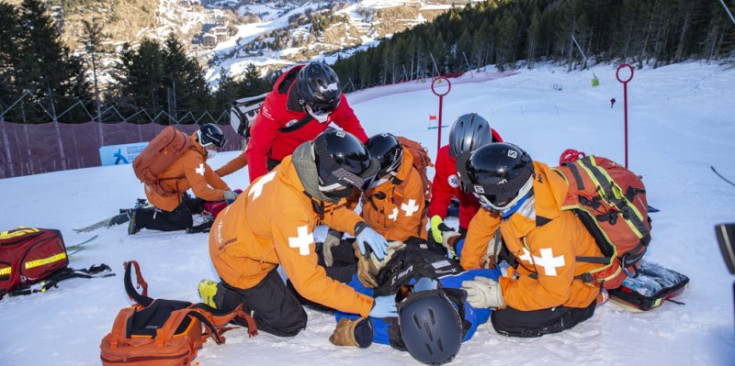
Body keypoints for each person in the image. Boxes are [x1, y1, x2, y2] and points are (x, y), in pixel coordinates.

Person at [199, 130, 396, 337]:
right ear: (333, 181)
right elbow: (309, 283)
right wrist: (368, 306)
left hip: (235, 230)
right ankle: (222, 296)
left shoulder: (302, 169)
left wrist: (358, 226)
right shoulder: (291, 212)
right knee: (291, 322)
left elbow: (325, 207)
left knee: (302, 268)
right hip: (237, 261)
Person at [457, 143, 605, 337]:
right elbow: (481, 227)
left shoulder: (548, 231)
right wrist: (470, 269)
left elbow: (554, 292)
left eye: (482, 196)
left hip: (572, 286)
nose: (480, 201)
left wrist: (500, 294)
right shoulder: (518, 186)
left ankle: (592, 301)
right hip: (538, 264)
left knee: (506, 320)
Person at [244, 62, 368, 181]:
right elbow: (257, 149)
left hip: (311, 154)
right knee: (287, 198)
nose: (326, 116)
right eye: (319, 110)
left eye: (331, 110)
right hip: (280, 161)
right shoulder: (276, 105)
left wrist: (367, 153)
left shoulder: (330, 96)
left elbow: (349, 122)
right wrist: (259, 187)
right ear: (303, 101)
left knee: (345, 182)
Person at [128, 124, 238, 234]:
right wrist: (224, 195)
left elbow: (210, 176)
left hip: (163, 188)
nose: (215, 150)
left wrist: (228, 191)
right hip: (161, 193)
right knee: (184, 221)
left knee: (197, 205)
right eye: (213, 147)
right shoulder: (194, 159)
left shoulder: (193, 146)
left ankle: (181, 205)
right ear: (204, 142)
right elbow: (201, 191)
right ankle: (140, 218)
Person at [427, 113, 502, 246]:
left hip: (496, 224)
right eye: (459, 160)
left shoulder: (501, 163)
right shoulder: (445, 156)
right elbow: (441, 191)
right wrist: (436, 217)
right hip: (467, 222)